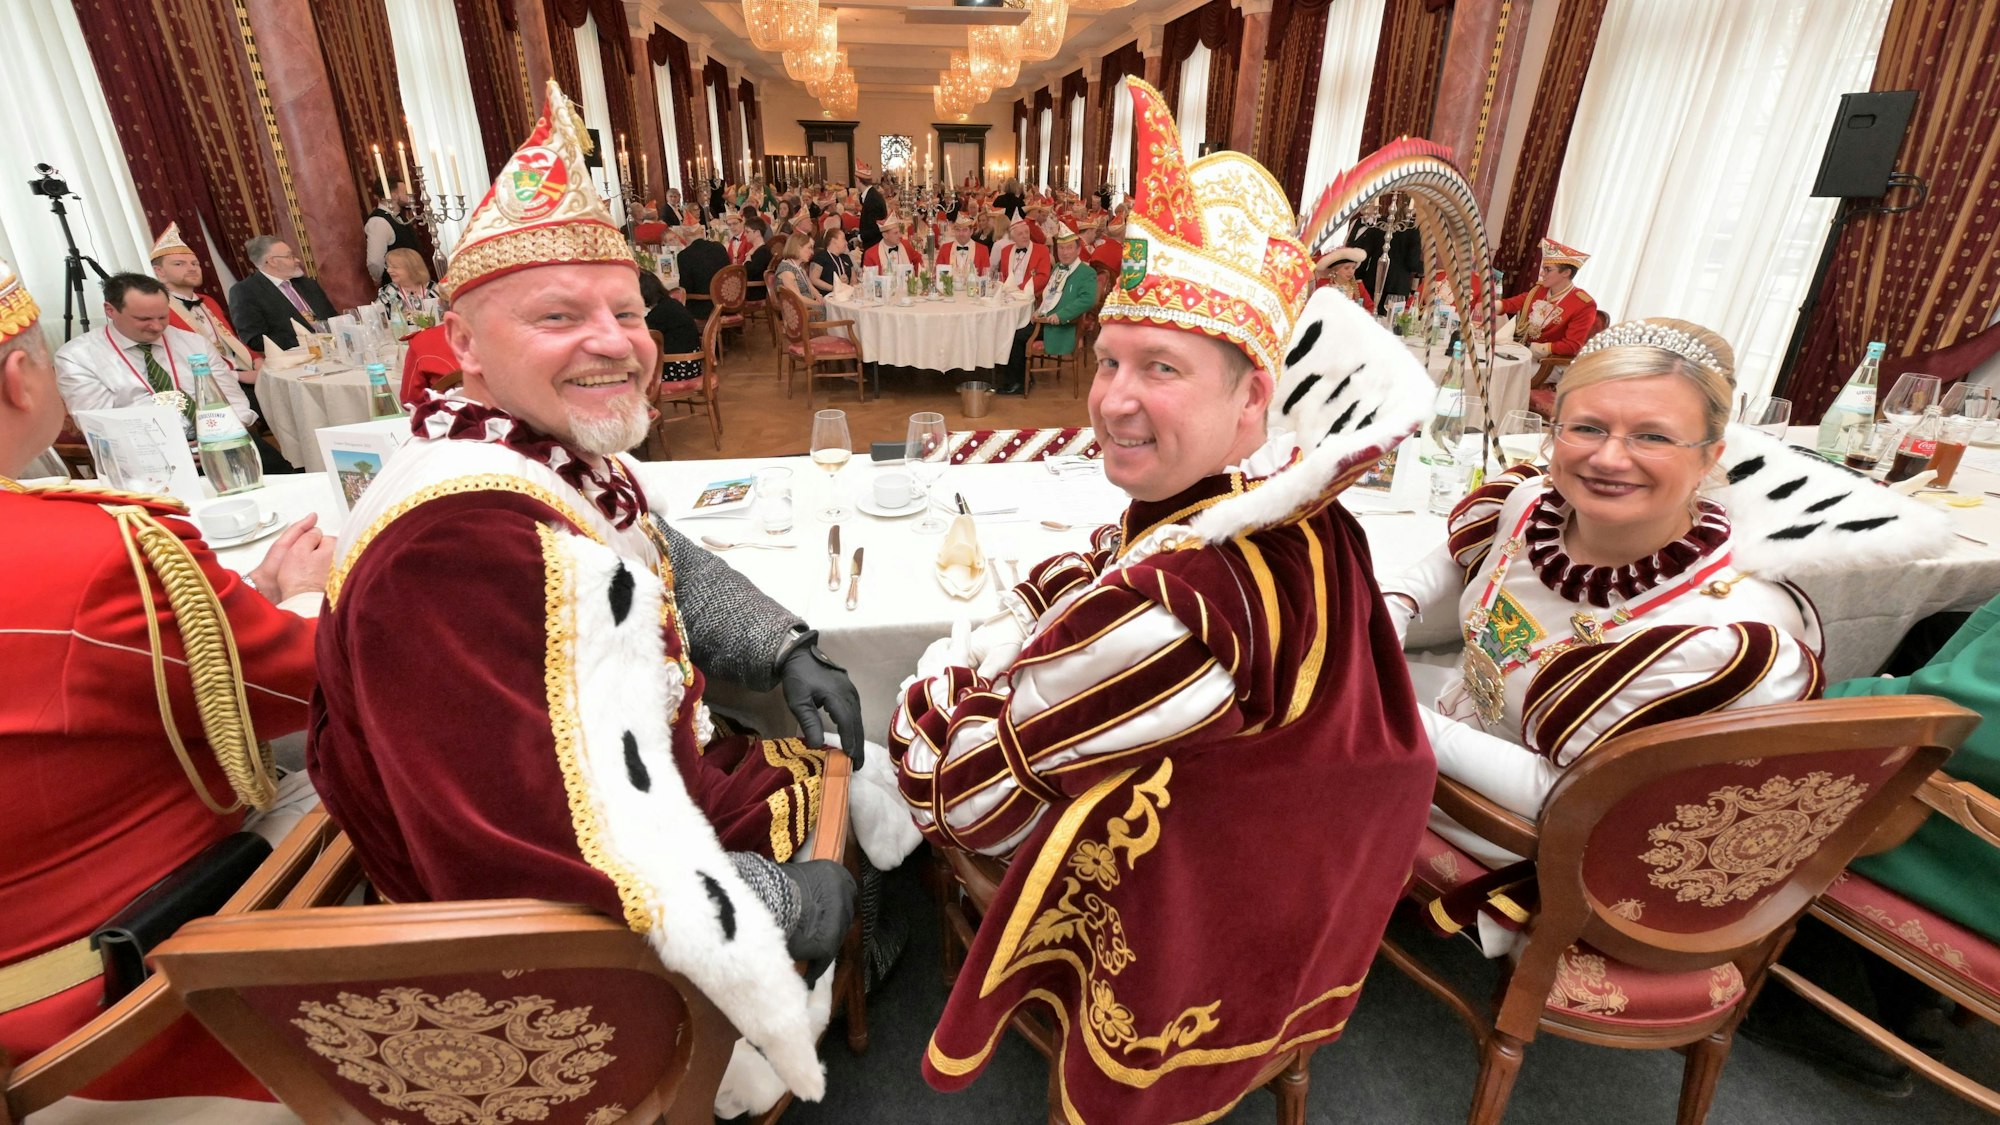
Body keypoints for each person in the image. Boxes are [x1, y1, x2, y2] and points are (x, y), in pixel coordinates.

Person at [307, 82, 920, 1118]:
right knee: (852, 828)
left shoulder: (529, 448)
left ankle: (860, 942)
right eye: (559, 316)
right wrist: (772, 903)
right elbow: (525, 857)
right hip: (580, 918)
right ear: (462, 343)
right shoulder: (451, 549)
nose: (615, 340)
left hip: (654, 781)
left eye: (628, 312)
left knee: (854, 783)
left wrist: (782, 649)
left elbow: (658, 547)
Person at [889, 77, 1436, 1125]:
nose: (1112, 399)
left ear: (1251, 396)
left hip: (1189, 921)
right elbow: (1108, 559)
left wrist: (942, 677)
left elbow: (958, 799)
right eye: (1106, 362)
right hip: (1300, 890)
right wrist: (1040, 621)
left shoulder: (1177, 606)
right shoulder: (1309, 521)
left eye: (1161, 369)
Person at [1378, 319, 1950, 932]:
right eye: (1587, 427)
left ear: (1711, 457)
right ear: (1553, 434)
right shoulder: (1533, 507)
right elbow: (1443, 570)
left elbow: (1564, 796)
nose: (1609, 456)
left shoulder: (1719, 630)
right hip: (1463, 723)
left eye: (1652, 436)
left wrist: (1378, 707)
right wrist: (1391, 611)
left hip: (1544, 828)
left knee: (1297, 727)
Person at [0, 253, 333, 1118]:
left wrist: (242, 597)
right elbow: (302, 686)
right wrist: (299, 597)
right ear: (18, 376)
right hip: (127, 1015)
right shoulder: (95, 553)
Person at [55, 273, 257, 437]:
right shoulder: (78, 357)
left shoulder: (194, 343)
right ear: (110, 310)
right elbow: (100, 425)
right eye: (144, 319)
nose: (157, 326)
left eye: (163, 316)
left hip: (221, 437)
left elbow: (231, 397)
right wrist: (170, 449)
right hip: (146, 455)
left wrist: (228, 434)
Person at [995, 229, 1094, 395]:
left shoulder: (1086, 273)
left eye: (1069, 248)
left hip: (1062, 327)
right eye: (1061, 248)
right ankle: (1019, 378)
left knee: (1016, 336)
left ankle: (1017, 383)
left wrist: (1061, 316)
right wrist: (1039, 311)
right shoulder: (1057, 268)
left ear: (1078, 250)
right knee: (1009, 330)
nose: (1065, 252)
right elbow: (1049, 296)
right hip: (1045, 322)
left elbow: (1087, 300)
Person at [149, 223, 254, 373]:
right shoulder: (157, 309)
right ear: (159, 271)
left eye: (195, 263)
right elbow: (175, 362)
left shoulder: (208, 301)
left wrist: (256, 360)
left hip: (240, 369)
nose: (192, 268)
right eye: (179, 264)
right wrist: (238, 377)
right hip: (205, 381)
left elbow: (232, 341)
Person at [1491, 237, 1598, 359]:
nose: (1541, 273)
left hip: (1548, 362)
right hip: (1523, 354)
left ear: (1566, 273)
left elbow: (1572, 346)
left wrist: (1533, 347)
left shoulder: (1583, 304)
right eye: (1543, 269)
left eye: (1548, 270)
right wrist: (1492, 306)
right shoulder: (1540, 290)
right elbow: (1517, 302)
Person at [228, 235, 337, 354]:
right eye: (290, 256)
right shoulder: (245, 291)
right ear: (272, 261)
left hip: (333, 350)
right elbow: (255, 339)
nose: (297, 260)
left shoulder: (308, 284)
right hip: (293, 359)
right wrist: (308, 340)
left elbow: (332, 318)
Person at [638, 270, 703, 384]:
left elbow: (642, 333)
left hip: (679, 366)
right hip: (690, 363)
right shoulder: (669, 304)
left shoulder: (661, 312)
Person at [363, 182, 422, 285]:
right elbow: (375, 262)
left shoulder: (400, 217)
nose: (411, 194)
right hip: (397, 288)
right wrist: (379, 280)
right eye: (406, 192)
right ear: (394, 195)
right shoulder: (379, 222)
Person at [677, 224, 732, 319]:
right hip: (729, 300)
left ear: (685, 237)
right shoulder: (719, 247)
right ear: (703, 233)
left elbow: (686, 288)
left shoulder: (684, 256)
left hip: (705, 307)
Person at [993, 216, 1051, 300]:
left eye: (1027, 232)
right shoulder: (1006, 251)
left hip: (1031, 296)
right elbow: (1003, 276)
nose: (1025, 236)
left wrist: (1019, 289)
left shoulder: (1042, 250)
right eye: (1020, 234)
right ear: (1013, 238)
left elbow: (1043, 277)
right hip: (1008, 296)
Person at [376, 246, 441, 320]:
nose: (389, 270)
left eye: (395, 267)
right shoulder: (389, 291)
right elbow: (376, 318)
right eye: (387, 266)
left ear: (412, 268)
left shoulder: (434, 289)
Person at [771, 232, 820, 314]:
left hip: (808, 308)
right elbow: (797, 299)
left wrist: (819, 296)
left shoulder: (799, 267)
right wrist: (820, 304)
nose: (812, 252)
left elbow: (810, 287)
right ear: (798, 248)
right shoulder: (787, 271)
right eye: (809, 248)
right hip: (800, 314)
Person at [1315, 245, 1373, 312]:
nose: (1351, 271)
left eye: (1353, 268)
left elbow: (1370, 307)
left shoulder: (1358, 286)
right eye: (1346, 268)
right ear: (1336, 270)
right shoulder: (1323, 284)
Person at [809, 226, 852, 294]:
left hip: (846, 296)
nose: (846, 243)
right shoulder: (821, 257)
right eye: (843, 239)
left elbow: (854, 280)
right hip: (827, 297)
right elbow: (813, 279)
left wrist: (849, 289)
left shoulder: (846, 257)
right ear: (834, 241)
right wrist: (834, 288)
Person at [857, 160, 887, 249]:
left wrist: (859, 237)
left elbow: (875, 227)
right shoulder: (872, 195)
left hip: (874, 245)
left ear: (858, 180)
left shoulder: (872, 199)